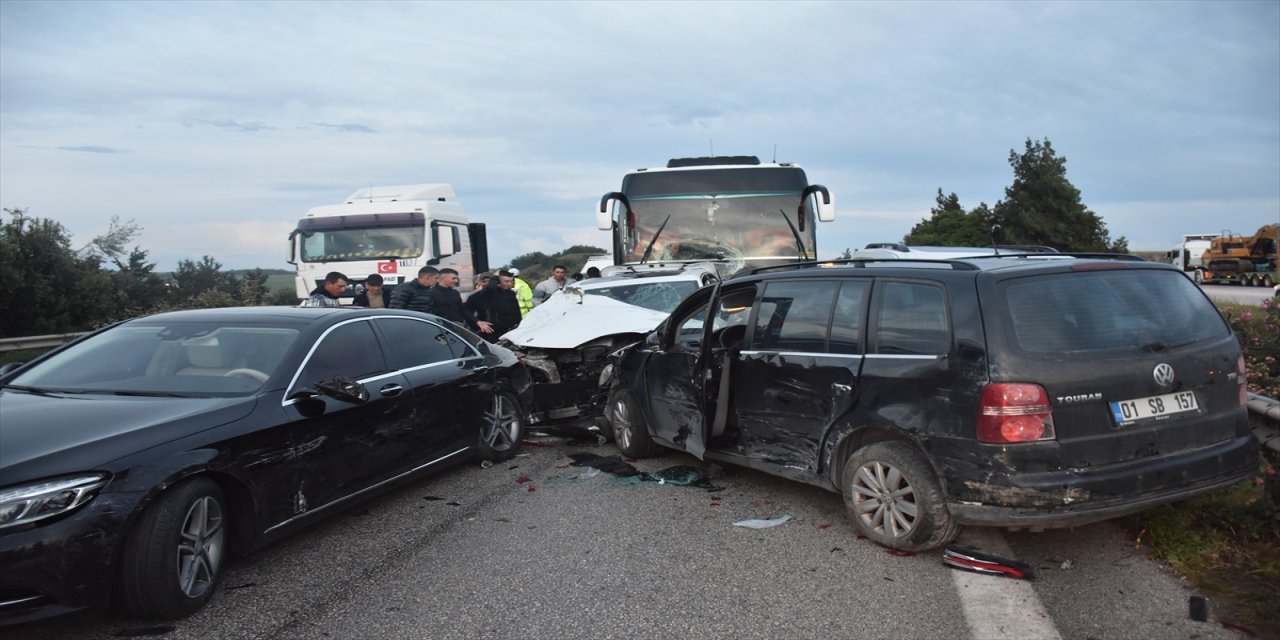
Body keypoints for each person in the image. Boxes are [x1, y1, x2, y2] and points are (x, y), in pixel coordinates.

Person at [428, 268, 493, 334]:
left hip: (457, 328)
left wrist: (477, 322)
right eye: (453, 278)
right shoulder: (430, 293)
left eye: (457, 279)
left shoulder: (455, 293)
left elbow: (463, 310)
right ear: (442, 278)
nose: (456, 281)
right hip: (440, 329)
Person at [465, 270, 521, 342]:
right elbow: (467, 314)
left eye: (489, 281)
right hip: (489, 333)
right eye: (484, 281)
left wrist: (519, 325)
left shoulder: (509, 294)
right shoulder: (475, 297)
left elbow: (516, 311)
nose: (487, 283)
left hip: (509, 331)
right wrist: (478, 324)